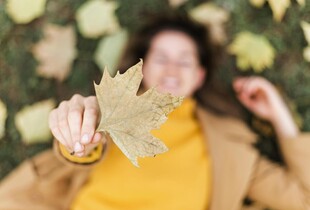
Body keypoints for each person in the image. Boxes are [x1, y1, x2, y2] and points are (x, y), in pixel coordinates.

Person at [0, 12, 310, 210]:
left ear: (200, 75)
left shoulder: (235, 151)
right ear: (142, 66)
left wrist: (281, 119)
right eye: (161, 58)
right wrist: (78, 134)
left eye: (185, 60)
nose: (173, 69)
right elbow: (81, 149)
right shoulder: (110, 111)